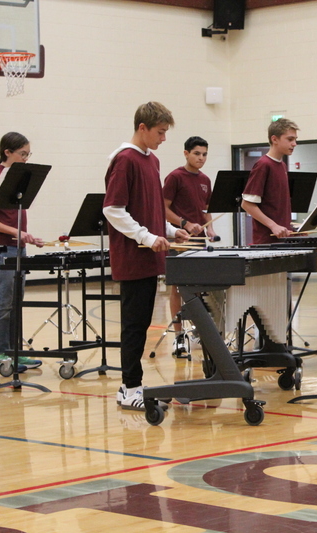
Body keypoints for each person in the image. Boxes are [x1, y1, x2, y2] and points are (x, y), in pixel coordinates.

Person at [103, 102, 189, 410]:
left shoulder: (151, 161)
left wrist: (167, 230)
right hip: (132, 255)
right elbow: (112, 209)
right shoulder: (125, 160)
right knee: (134, 325)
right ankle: (129, 387)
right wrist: (146, 236)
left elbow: (149, 209)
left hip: (150, 254)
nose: (163, 138)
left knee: (140, 322)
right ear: (143, 128)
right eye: (160, 132)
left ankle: (135, 382)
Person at [0, 132, 44, 373]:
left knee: (15, 302)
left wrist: (26, 236)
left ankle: (15, 351)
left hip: (17, 247)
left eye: (29, 155)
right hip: (2, 248)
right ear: (7, 152)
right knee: (3, 302)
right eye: (22, 154)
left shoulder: (16, 177)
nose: (26, 159)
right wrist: (16, 233)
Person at [163, 136, 217, 357]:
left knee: (198, 288)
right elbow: (162, 209)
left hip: (199, 241)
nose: (201, 158)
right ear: (186, 153)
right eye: (197, 153)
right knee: (177, 288)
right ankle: (178, 337)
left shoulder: (205, 179)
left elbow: (205, 210)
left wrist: (210, 228)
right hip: (179, 240)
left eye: (204, 154)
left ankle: (198, 329)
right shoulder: (175, 177)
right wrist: (184, 223)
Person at [241, 118, 298, 244]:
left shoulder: (282, 165)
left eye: (295, 139)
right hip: (267, 241)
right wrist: (273, 226)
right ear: (274, 139)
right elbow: (247, 204)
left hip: (282, 240)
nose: (294, 144)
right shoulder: (263, 165)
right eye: (290, 139)